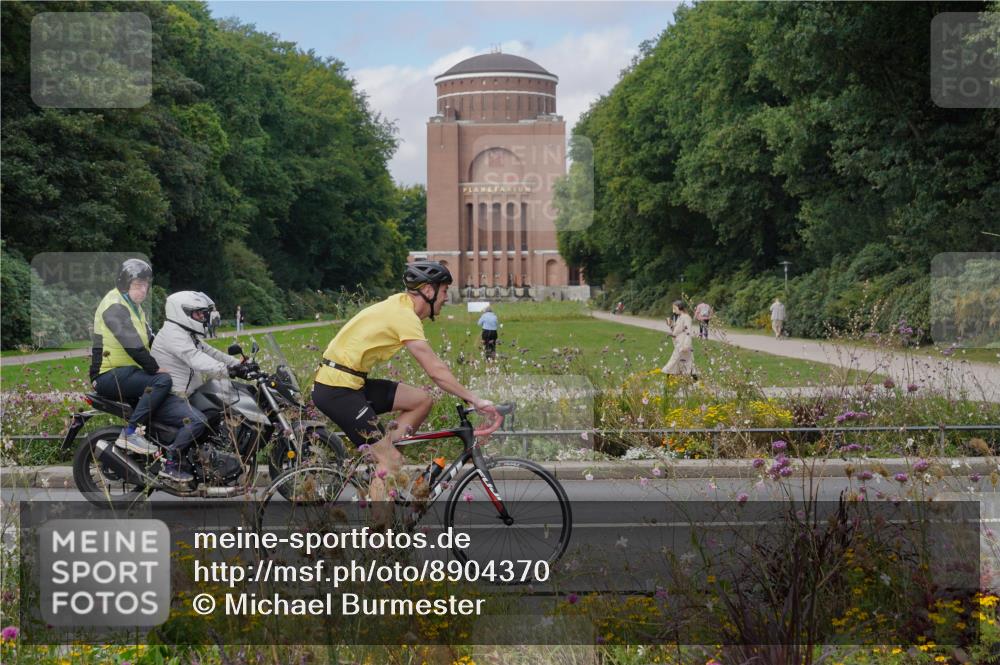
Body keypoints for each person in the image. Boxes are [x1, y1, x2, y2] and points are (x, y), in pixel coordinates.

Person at [311, 261, 498, 512]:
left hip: (350, 381)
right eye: (444, 291)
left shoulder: (400, 305)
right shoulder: (404, 316)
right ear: (428, 291)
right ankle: (380, 537)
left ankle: (382, 456)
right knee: (390, 459)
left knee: (421, 400)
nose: (446, 298)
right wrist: (475, 399)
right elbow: (435, 370)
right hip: (337, 389)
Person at [151, 291, 248, 483]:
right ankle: (171, 462)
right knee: (198, 420)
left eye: (203, 314)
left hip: (185, 394)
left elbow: (210, 352)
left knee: (215, 413)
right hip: (170, 396)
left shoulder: (186, 333)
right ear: (182, 312)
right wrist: (227, 371)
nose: (203, 318)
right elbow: (196, 358)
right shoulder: (173, 335)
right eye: (198, 314)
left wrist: (238, 364)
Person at [89, 259, 172, 456]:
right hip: (107, 375)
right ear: (124, 284)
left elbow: (151, 340)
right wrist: (155, 369)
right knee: (162, 381)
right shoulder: (114, 306)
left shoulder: (135, 308)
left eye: (146, 285)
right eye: (138, 285)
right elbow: (132, 344)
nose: (143, 290)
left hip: (126, 373)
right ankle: (131, 433)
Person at [661, 300, 696, 377]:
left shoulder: (686, 317)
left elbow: (688, 332)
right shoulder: (680, 317)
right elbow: (676, 331)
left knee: (676, 363)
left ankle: (694, 382)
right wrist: (670, 325)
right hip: (678, 344)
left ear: (679, 307)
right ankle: (692, 383)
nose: (673, 310)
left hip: (683, 345)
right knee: (681, 364)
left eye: (674, 308)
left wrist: (686, 346)